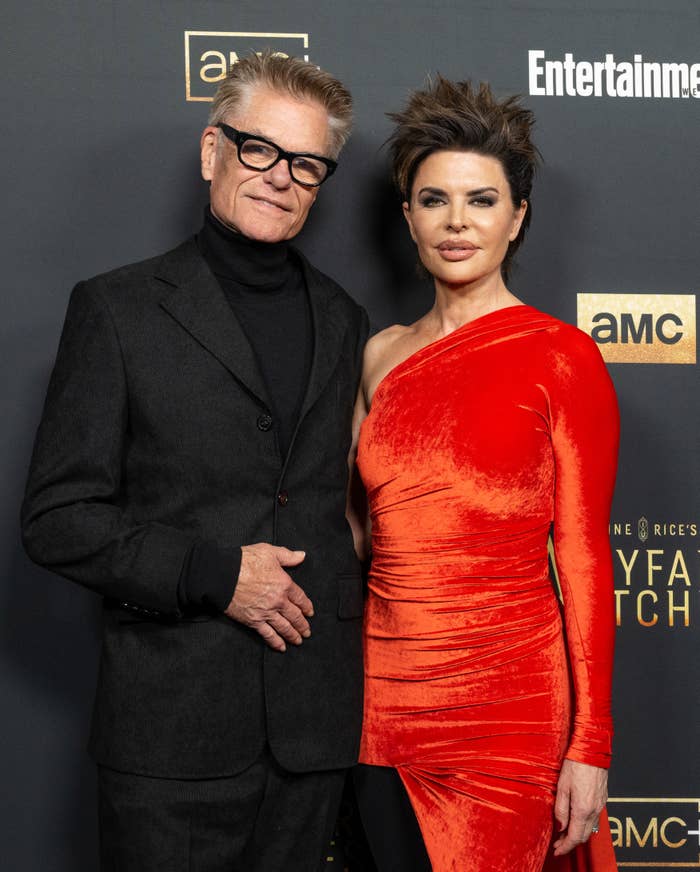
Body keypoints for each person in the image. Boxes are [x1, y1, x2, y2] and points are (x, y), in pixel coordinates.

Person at [21, 52, 368, 872]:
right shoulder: (115, 309)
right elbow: (59, 518)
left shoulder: (348, 321)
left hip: (312, 737)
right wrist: (215, 574)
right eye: (259, 150)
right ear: (213, 150)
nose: (281, 178)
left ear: (322, 183)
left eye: (307, 164)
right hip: (169, 739)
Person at [347, 77, 619, 872]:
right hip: (382, 710)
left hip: (510, 717)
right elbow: (355, 534)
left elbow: (585, 559)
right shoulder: (378, 355)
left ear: (517, 217)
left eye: (482, 200)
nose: (457, 221)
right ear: (408, 218)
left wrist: (590, 747)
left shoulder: (562, 358)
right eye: (434, 199)